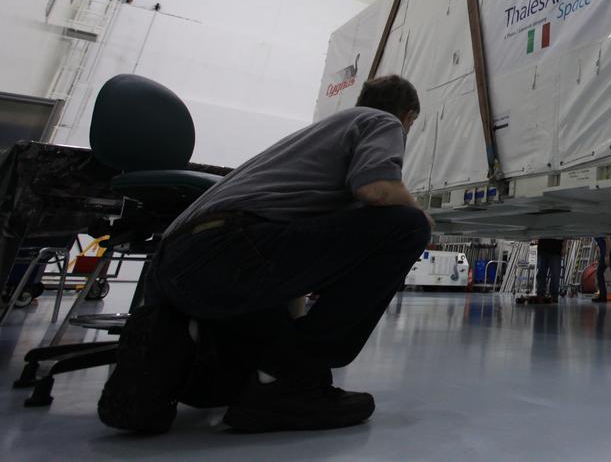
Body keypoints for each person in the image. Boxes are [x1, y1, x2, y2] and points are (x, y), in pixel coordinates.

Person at [98, 75, 433, 434]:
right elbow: (378, 190)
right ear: (408, 117)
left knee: (246, 365)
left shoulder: (317, 141)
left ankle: (180, 349)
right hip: (229, 250)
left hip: (177, 265)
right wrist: (424, 218)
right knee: (408, 225)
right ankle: (288, 383)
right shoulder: (382, 121)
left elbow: (292, 266)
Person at [534, 237, 565, 302]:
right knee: (541, 274)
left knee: (555, 275)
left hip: (555, 250)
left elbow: (564, 233)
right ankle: (540, 294)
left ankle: (554, 295)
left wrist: (564, 246)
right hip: (543, 249)